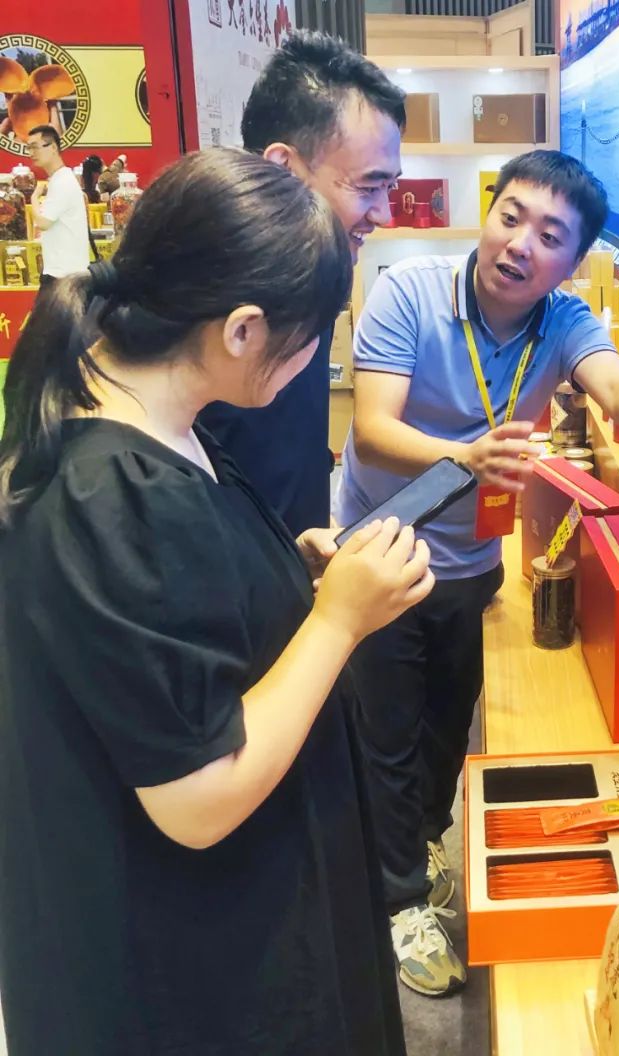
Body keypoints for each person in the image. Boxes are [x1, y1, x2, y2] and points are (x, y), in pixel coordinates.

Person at [335, 149, 619, 995]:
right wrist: (466, 457)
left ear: (575, 259)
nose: (520, 244)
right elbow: (372, 430)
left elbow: (616, 388)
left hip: (471, 557)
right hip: (382, 547)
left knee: (446, 723)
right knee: (386, 730)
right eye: (510, 216)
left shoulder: (563, 322)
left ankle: (419, 845)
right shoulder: (409, 292)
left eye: (550, 236)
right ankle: (398, 900)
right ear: (490, 214)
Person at [0, 148, 433, 1055]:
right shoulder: (112, 494)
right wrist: (338, 619)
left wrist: (287, 575)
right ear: (242, 330)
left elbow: (180, 622)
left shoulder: (152, 422)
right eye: (314, 336)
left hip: (227, 914)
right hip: (190, 969)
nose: (317, 358)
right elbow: (196, 798)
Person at [197, 30, 404, 536]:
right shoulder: (199, 300)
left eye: (390, 186)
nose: (384, 213)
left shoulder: (317, 274)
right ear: (284, 169)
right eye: (368, 186)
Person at [25, 124, 90, 289]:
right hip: (64, 273)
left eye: (35, 147)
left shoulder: (62, 181)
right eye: (29, 148)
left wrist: (34, 198)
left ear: (53, 147)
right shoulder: (59, 179)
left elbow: (43, 223)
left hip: (64, 277)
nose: (31, 153)